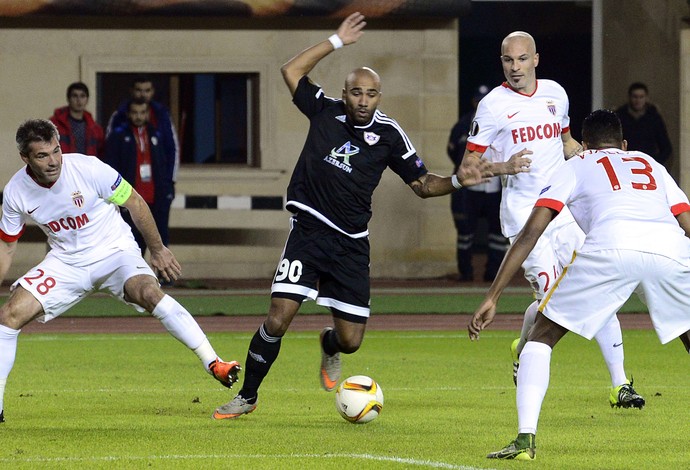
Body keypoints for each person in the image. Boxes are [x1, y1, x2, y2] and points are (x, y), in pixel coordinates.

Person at [212, 12, 490, 420]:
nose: (363, 100)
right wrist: (336, 41)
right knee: (278, 317)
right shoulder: (325, 110)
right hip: (307, 232)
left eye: (371, 94)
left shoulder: (391, 136)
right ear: (345, 93)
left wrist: (460, 181)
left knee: (351, 340)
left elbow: (422, 184)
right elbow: (290, 70)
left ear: (380, 96)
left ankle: (328, 346)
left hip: (351, 245)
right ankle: (248, 396)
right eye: (356, 92)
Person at [468, 109, 690, 460]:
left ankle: (526, 440)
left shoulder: (575, 165)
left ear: (584, 146)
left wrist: (492, 295)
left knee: (540, 336)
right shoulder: (651, 164)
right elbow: (686, 221)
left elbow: (531, 232)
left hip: (610, 248)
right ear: (625, 144)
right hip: (671, 249)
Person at [0, 119, 240, 424]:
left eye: (56, 151)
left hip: (115, 252)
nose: (53, 161)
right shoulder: (15, 192)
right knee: (9, 316)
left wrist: (157, 248)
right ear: (25, 158)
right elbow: (7, 246)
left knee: (149, 292)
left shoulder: (89, 168)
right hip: (66, 263)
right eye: (42, 156)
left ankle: (214, 362)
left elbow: (135, 203)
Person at [459, 31, 644, 407]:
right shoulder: (492, 105)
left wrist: (602, 158)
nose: (515, 67)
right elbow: (466, 170)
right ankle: (525, 349)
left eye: (522, 59)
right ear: (502, 62)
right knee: (551, 301)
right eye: (508, 61)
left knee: (598, 290)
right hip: (523, 216)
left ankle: (620, 384)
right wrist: (503, 166)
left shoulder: (556, 94)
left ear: (536, 59)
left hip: (563, 211)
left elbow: (567, 142)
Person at [447, 85, 508, 282]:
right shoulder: (464, 123)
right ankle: (466, 273)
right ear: (474, 102)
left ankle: (493, 274)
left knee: (498, 233)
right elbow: (452, 150)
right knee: (465, 232)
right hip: (470, 188)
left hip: (495, 186)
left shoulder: (503, 123)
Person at [104, 99, 174, 256]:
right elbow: (110, 167)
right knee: (132, 242)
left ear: (148, 114)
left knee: (160, 238)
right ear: (128, 114)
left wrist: (168, 189)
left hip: (156, 197)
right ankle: (134, 276)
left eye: (142, 112)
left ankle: (163, 276)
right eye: (135, 112)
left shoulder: (156, 134)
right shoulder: (118, 135)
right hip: (129, 198)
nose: (138, 116)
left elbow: (166, 162)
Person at [106, 75, 179, 183]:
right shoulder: (119, 116)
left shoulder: (162, 115)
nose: (143, 94)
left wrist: (170, 180)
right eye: (139, 90)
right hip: (125, 182)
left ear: (153, 92)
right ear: (131, 91)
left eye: (147, 90)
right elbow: (110, 151)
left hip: (156, 182)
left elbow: (172, 148)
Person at [615, 82, 672, 166]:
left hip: (648, 164)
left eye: (641, 97)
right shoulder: (619, 117)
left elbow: (666, 147)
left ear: (646, 98)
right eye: (635, 97)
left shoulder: (654, 118)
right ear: (629, 97)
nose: (638, 100)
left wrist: (655, 163)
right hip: (625, 163)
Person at [49, 82, 104, 156]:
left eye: (82, 96)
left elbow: (100, 154)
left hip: (86, 166)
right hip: (63, 165)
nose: (79, 100)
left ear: (87, 99)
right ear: (68, 99)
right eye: (75, 96)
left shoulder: (95, 129)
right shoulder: (55, 125)